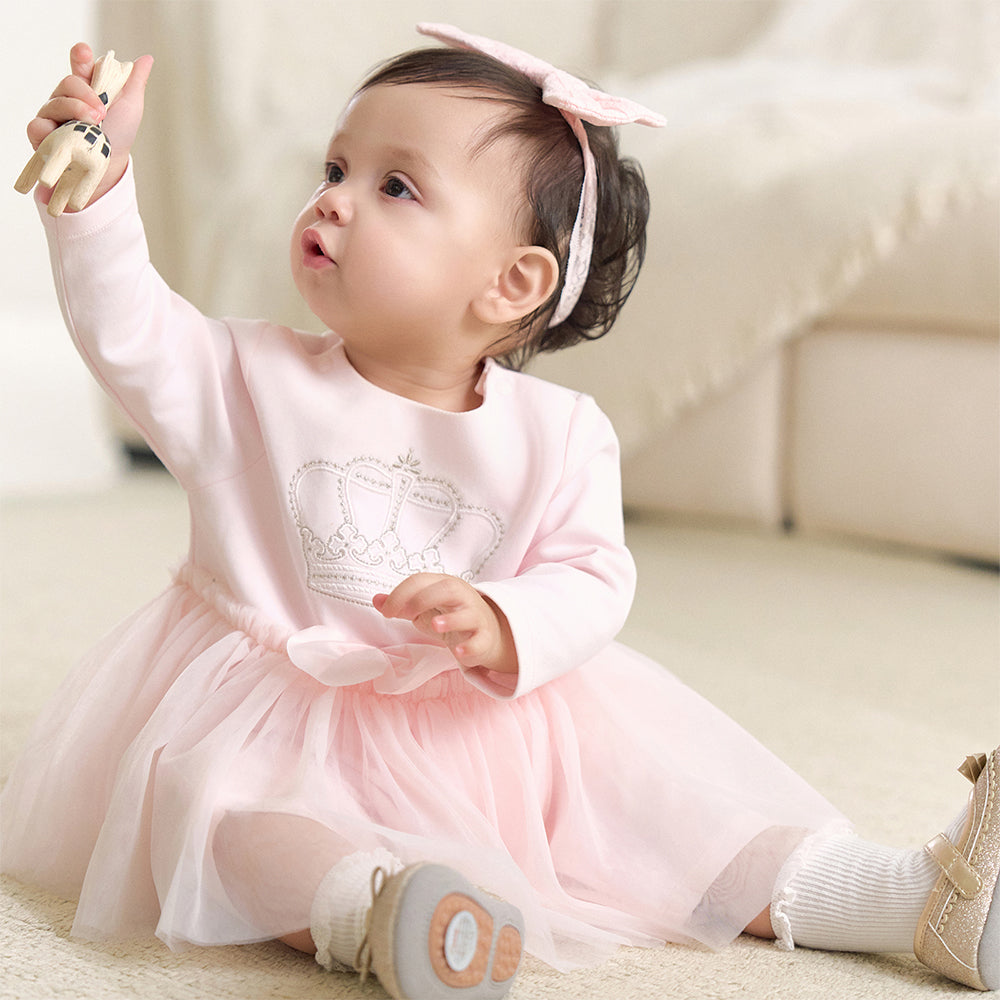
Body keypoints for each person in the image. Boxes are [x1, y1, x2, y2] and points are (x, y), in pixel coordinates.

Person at [3, 23, 997, 1000]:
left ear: (511, 282)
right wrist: (100, 185)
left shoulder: (560, 434)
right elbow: (126, 326)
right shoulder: (238, 376)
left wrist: (504, 620)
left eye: (395, 186)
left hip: (491, 730)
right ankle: (379, 913)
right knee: (213, 810)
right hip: (276, 721)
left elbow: (592, 576)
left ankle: (905, 898)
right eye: (336, 168)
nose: (334, 198)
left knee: (671, 810)